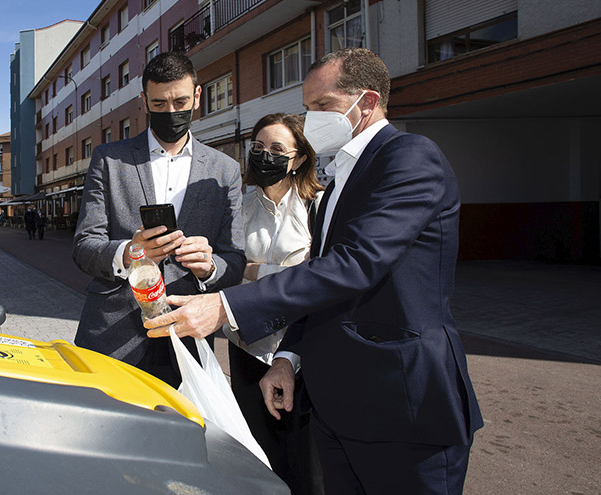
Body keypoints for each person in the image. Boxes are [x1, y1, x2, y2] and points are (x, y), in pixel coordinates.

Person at [145, 48, 483, 494]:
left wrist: (226, 305)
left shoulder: (409, 157)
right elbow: (324, 281)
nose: (312, 118)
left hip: (403, 404)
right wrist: (288, 358)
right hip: (338, 407)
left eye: (323, 106)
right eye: (308, 107)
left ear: (367, 103)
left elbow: (356, 265)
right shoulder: (342, 173)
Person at [72, 52, 246, 387]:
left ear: (197, 97)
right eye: (159, 103)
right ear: (144, 101)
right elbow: (84, 246)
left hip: (188, 337)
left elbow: (235, 259)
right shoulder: (109, 160)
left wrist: (209, 267)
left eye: (180, 101)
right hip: (112, 336)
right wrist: (129, 252)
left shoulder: (225, 170)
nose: (171, 112)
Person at [224, 112, 324, 495]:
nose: (265, 156)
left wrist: (253, 271)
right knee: (259, 459)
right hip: (247, 346)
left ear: (298, 158)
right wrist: (282, 273)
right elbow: (229, 266)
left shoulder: (318, 206)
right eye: (258, 147)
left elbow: (320, 279)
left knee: (308, 467)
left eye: (277, 149)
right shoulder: (240, 205)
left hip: (299, 347)